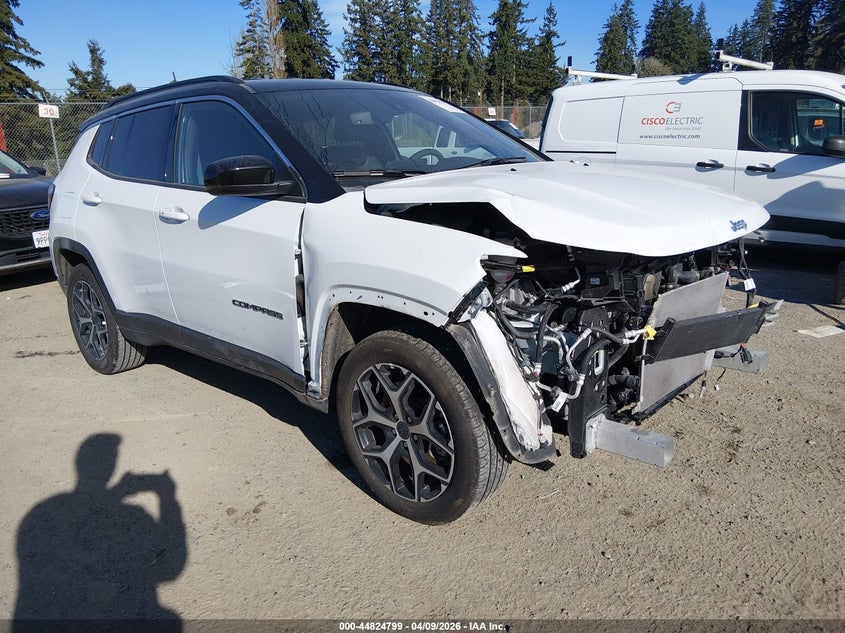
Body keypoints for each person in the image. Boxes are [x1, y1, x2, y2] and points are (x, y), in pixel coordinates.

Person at [14, 433, 186, 630]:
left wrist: (115, 495)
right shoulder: (133, 517)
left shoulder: (43, 512)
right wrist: (167, 497)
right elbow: (170, 569)